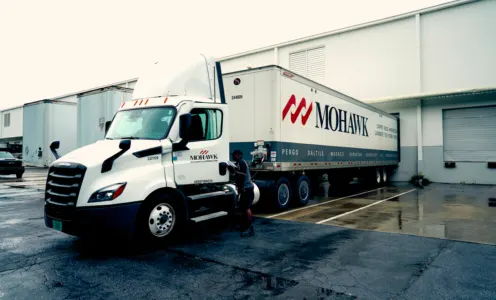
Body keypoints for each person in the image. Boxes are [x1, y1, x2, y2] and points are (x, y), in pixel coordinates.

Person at [230, 150, 255, 237]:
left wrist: (233, 170)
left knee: (246, 207)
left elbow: (242, 175)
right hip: (245, 188)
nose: (233, 156)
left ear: (238, 155)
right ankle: (246, 225)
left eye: (234, 155)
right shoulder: (239, 162)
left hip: (247, 188)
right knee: (243, 207)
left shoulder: (241, 162)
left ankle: (249, 227)